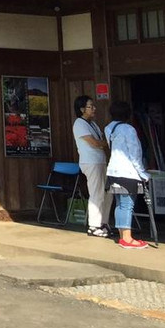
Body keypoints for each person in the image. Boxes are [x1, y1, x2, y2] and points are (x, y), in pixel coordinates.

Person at [104, 101, 149, 249]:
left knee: (120, 204)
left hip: (113, 170)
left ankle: (123, 236)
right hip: (127, 171)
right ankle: (127, 239)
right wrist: (142, 172)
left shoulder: (109, 128)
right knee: (127, 205)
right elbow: (134, 152)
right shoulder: (128, 129)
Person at [72, 95, 112, 238]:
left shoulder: (93, 124)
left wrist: (103, 142)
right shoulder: (79, 123)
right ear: (82, 109)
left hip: (100, 160)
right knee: (96, 192)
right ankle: (94, 225)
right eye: (90, 106)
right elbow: (94, 142)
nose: (94, 109)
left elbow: (99, 140)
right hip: (90, 162)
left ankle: (104, 222)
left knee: (108, 193)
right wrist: (107, 143)